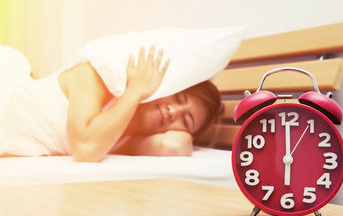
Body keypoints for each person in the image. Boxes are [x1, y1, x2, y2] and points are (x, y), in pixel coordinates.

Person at [0, 46, 222, 161]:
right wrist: (136, 90)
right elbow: (85, 149)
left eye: (186, 120)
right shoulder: (97, 76)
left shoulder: (128, 141)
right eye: (177, 98)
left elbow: (174, 147)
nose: (173, 110)